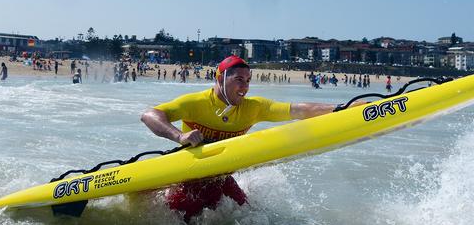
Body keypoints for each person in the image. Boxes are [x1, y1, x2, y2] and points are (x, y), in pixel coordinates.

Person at [141, 56, 345, 221]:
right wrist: (179, 135)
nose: (245, 87)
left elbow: (298, 110)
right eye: (238, 80)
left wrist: (343, 109)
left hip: (222, 182)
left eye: (247, 81)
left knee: (254, 217)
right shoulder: (195, 103)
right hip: (188, 183)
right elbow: (149, 115)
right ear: (220, 78)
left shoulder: (253, 108)